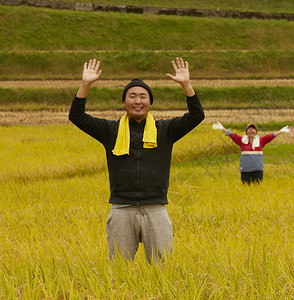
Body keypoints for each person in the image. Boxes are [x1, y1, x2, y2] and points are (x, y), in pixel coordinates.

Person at [69, 57, 204, 265]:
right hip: (121, 209)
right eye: (132, 96)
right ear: (125, 102)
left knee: (162, 271)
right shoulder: (110, 131)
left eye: (143, 96)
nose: (137, 101)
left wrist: (186, 85)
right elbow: (77, 117)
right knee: (120, 271)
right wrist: (85, 84)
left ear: (150, 103)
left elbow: (197, 116)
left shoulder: (165, 130)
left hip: (156, 209)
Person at [213, 122, 289, 184]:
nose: (251, 131)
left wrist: (281, 131)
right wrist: (223, 129)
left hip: (258, 170)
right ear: (246, 132)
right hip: (245, 170)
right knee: (246, 190)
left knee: (258, 190)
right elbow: (233, 135)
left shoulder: (260, 141)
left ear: (256, 132)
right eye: (249, 129)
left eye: (253, 129)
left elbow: (270, 136)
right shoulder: (242, 140)